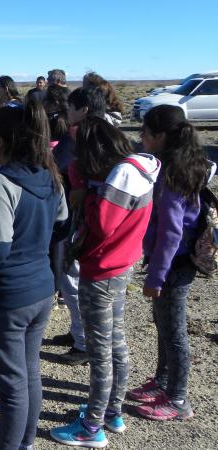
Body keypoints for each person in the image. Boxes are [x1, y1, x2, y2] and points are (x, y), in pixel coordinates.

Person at [0, 100, 68, 450]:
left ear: (3, 142)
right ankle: (25, 441)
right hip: (41, 289)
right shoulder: (51, 175)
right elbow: (64, 227)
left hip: (8, 297)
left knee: (11, 383)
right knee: (30, 371)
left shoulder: (2, 184)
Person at [51, 117, 160, 448]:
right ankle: (112, 412)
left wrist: (83, 192)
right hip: (122, 264)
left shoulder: (121, 176)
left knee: (100, 351)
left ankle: (91, 426)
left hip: (101, 271)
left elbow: (101, 224)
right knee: (116, 341)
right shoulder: (140, 169)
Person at [129, 105, 215, 421]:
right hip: (170, 263)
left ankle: (178, 400)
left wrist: (156, 277)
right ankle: (163, 382)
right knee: (164, 327)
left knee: (175, 333)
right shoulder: (178, 163)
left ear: (161, 136)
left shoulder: (172, 175)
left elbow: (170, 233)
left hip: (174, 266)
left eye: (145, 133)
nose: (140, 137)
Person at [53, 85, 109, 365]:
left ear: (83, 110)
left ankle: (83, 342)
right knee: (75, 279)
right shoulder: (107, 133)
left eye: (71, 108)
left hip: (76, 218)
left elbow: (59, 166)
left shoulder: (79, 137)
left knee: (72, 278)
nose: (67, 113)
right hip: (87, 216)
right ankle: (78, 333)